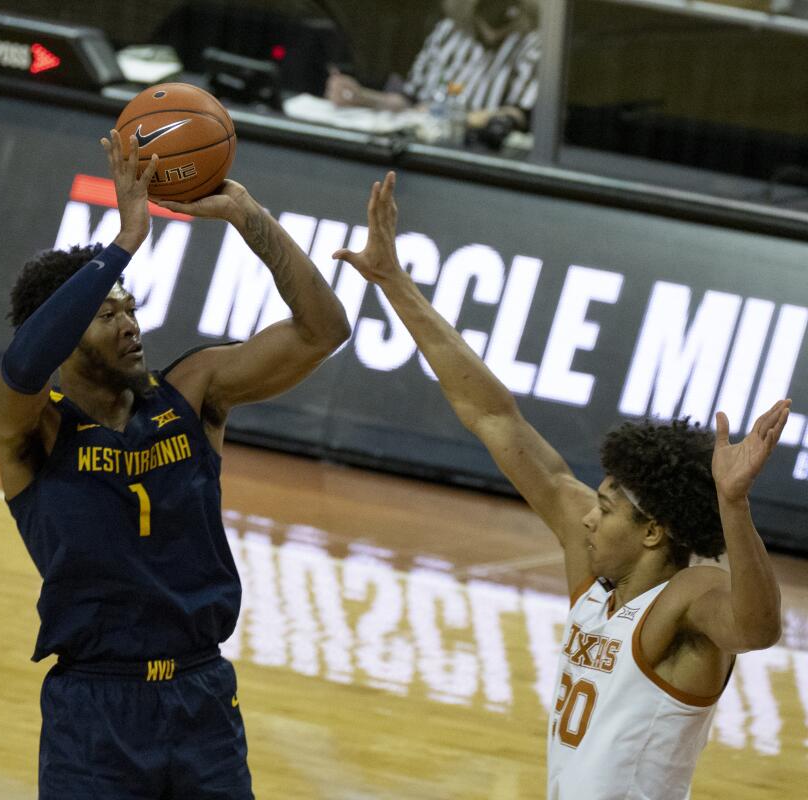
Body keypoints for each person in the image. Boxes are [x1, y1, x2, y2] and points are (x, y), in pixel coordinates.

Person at [334, 170, 788, 799]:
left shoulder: (690, 597)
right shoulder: (598, 584)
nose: (585, 518)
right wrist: (394, 283)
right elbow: (495, 417)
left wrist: (733, 504)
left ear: (653, 531)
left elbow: (760, 629)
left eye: (605, 508)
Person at [0, 131, 351, 798]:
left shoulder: (193, 390)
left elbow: (325, 331)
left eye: (131, 308)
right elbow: (22, 365)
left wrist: (250, 221)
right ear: (64, 332)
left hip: (200, 697)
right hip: (95, 708)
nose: (130, 325)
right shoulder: (32, 427)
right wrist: (122, 243)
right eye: (104, 315)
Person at [326, 0, 540, 138]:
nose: (493, 34)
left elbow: (519, 115)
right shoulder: (449, 32)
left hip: (478, 153)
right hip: (422, 147)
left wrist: (460, 119)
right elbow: (409, 100)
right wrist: (362, 97)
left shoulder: (532, 45)